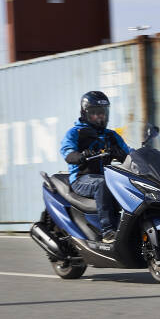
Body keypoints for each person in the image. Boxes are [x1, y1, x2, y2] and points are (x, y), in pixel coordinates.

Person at [59, 91, 130, 244]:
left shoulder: (111, 136)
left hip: (107, 178)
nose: (99, 117)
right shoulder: (75, 133)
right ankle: (108, 231)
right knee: (102, 184)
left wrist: (130, 154)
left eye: (102, 112)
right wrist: (80, 156)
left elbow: (130, 154)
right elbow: (67, 152)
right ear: (85, 113)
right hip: (81, 179)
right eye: (94, 113)